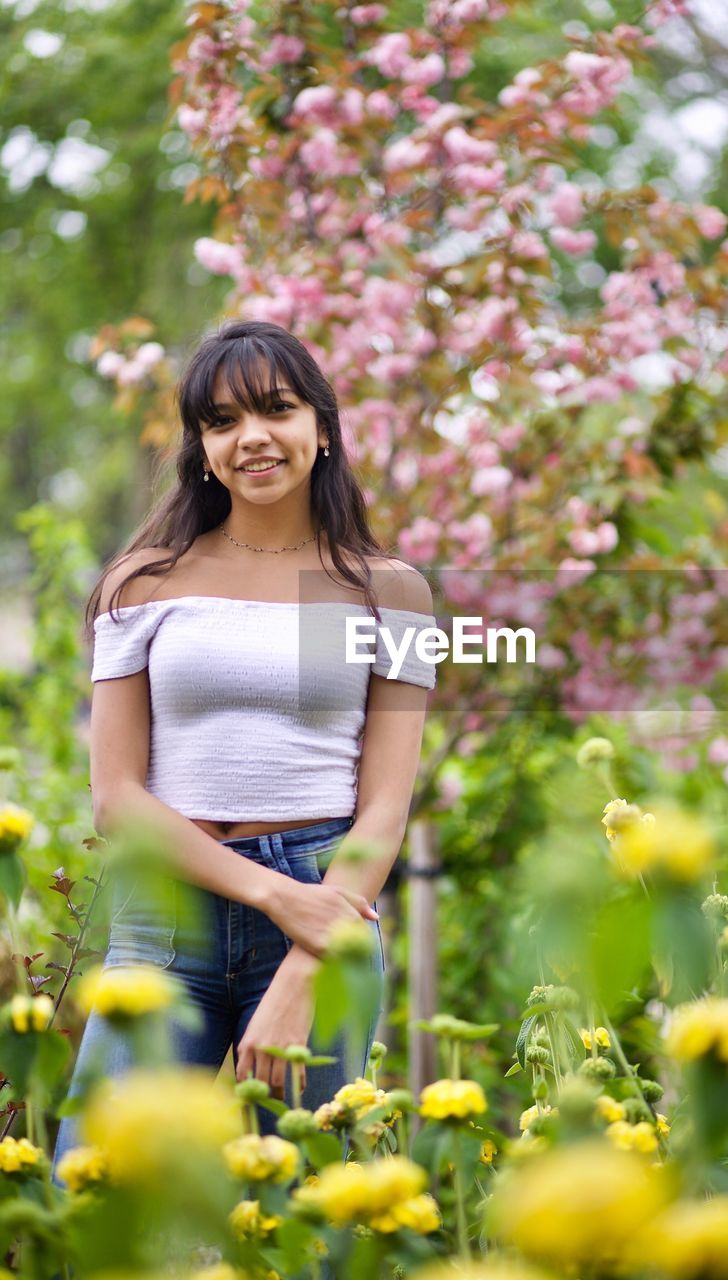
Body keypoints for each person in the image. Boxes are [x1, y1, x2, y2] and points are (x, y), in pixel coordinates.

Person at [53, 318, 436, 1172]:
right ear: (200, 446)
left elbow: (382, 806)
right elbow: (117, 799)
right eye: (221, 421)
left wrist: (309, 953)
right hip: (165, 917)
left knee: (310, 1211)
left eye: (275, 409)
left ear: (322, 429)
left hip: (325, 903)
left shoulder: (395, 595)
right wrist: (272, 897)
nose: (250, 437)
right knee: (97, 1193)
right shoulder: (142, 581)